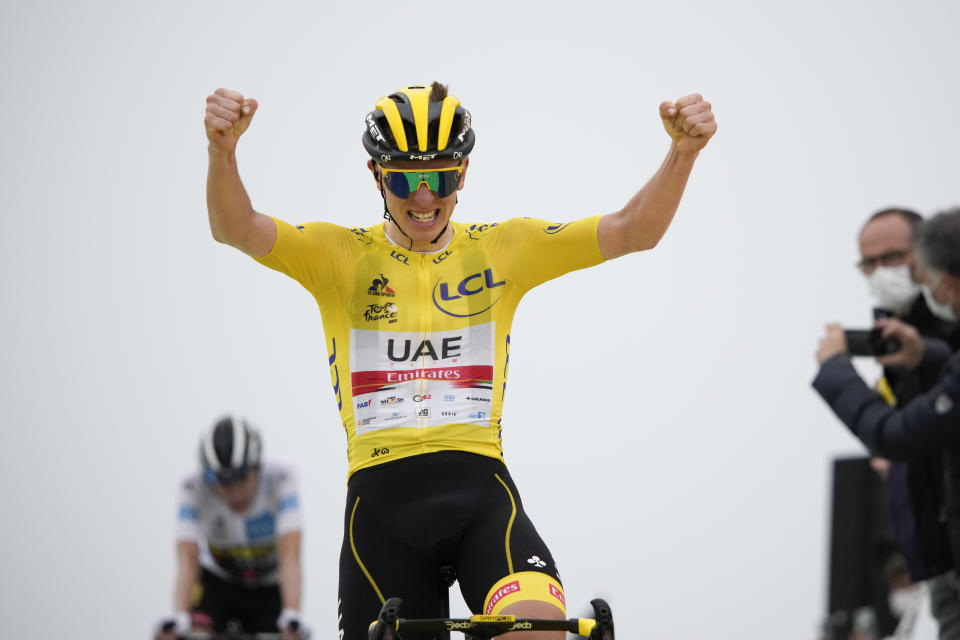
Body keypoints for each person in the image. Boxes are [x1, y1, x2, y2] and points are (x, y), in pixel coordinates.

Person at [202, 82, 717, 640]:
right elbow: (235, 228)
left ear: (464, 173)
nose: (424, 198)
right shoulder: (339, 256)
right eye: (405, 178)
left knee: (540, 629)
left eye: (441, 177)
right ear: (376, 175)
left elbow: (633, 230)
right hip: (382, 507)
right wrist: (222, 151)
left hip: (480, 493)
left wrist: (682, 152)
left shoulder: (503, 248)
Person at [814, 207, 960, 639]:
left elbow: (895, 437)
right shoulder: (903, 339)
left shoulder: (946, 325)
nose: (881, 273)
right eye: (869, 264)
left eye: (894, 258)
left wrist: (835, 371)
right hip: (939, 567)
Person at [155, 416, 309, 639]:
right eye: (223, 481)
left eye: (241, 477)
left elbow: (290, 554)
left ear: (257, 467)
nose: (234, 491)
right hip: (218, 584)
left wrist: (292, 614)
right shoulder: (192, 486)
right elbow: (188, 559)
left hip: (269, 587)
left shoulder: (281, 478)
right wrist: (180, 617)